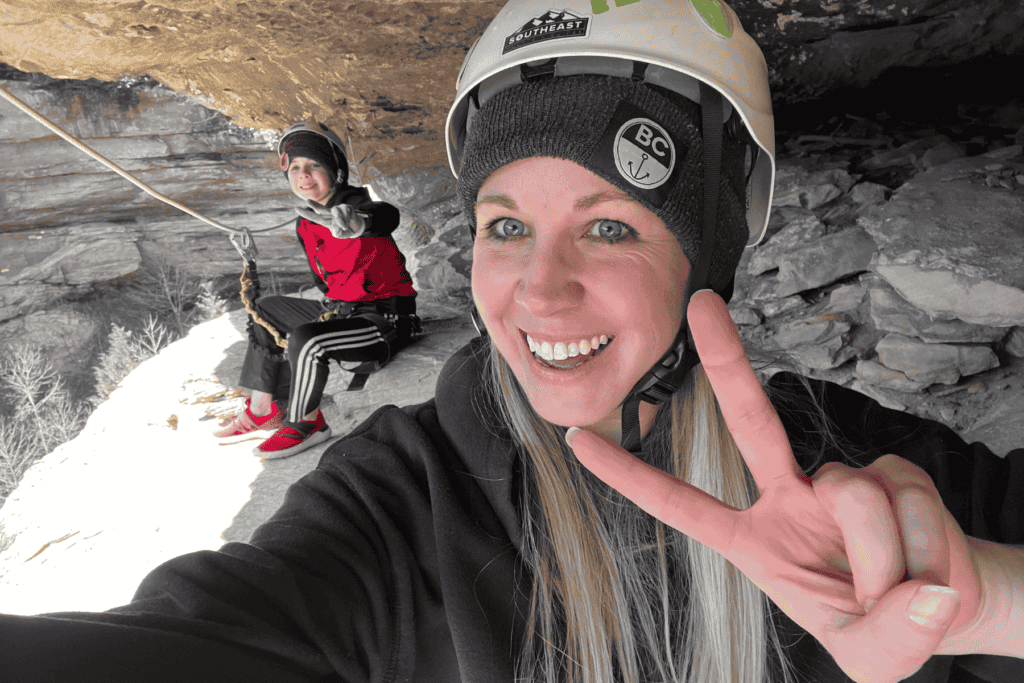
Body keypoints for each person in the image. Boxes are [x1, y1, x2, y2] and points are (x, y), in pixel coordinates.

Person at [1, 1, 1022, 681]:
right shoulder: (397, 504)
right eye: (504, 225)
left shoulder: (865, 477)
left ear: (706, 256)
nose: (539, 288)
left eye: (611, 225)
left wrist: (982, 600)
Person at [213, 121, 420, 458]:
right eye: (295, 168)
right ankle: (262, 408)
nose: (303, 175)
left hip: (383, 322)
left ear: (335, 172)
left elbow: (385, 215)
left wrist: (357, 223)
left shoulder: (353, 204)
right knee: (265, 308)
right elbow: (322, 281)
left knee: (307, 339)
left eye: (313, 166)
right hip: (343, 312)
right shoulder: (306, 221)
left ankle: (307, 423)